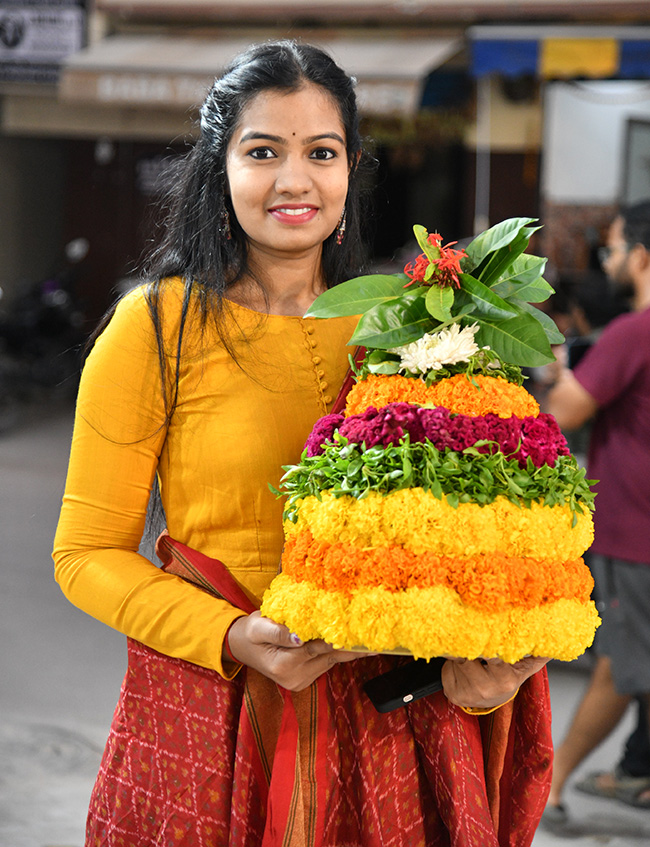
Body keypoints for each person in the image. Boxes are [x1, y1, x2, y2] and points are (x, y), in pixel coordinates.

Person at [53, 40, 552, 846]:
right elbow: (84, 552)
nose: (294, 180)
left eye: (321, 152)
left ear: (352, 169)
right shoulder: (156, 329)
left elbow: (455, 551)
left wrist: (477, 676)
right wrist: (230, 636)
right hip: (210, 721)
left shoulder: (411, 334)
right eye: (262, 151)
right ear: (221, 169)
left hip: (386, 731)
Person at [543, 200, 650, 826]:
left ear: (640, 257)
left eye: (612, 250)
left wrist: (555, 377)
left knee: (619, 667)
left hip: (636, 533)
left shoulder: (633, 332)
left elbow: (566, 414)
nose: (608, 261)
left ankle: (550, 784)